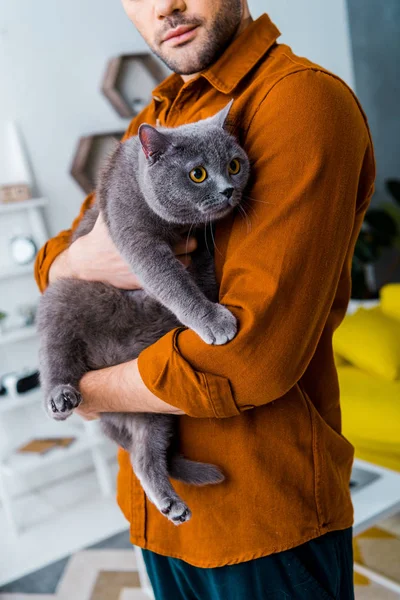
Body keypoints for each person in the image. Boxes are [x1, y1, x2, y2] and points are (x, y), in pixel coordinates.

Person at [34, 1, 375, 598]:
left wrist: (85, 392)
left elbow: (249, 359)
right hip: (157, 516)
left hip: (261, 523)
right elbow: (57, 256)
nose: (166, 4)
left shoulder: (297, 102)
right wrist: (78, 261)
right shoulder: (160, 115)